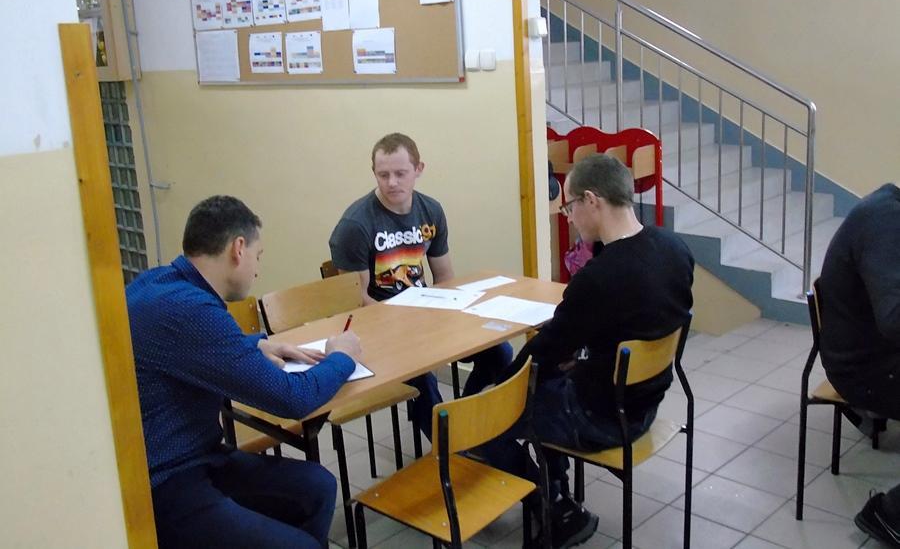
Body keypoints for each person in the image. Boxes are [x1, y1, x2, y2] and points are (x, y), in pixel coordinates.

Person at [482, 154, 694, 548]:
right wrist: (580, 357)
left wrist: (498, 391)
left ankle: (557, 509)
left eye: (569, 206)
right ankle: (559, 491)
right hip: (645, 403)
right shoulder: (674, 248)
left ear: (591, 200)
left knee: (488, 420)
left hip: (603, 418)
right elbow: (630, 322)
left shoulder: (599, 277)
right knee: (547, 384)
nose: (568, 217)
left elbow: (544, 350)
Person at [128, 195, 362, 549]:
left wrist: (253, 344)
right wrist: (342, 357)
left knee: (317, 486)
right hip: (166, 481)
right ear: (238, 248)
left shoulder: (159, 283)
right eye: (258, 255)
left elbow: (188, 349)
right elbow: (291, 399)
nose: (257, 270)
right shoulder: (192, 310)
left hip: (198, 455)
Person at [328, 132, 513, 440]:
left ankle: (465, 417)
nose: (392, 183)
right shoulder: (355, 225)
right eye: (383, 175)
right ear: (374, 172)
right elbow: (358, 301)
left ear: (418, 169)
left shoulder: (431, 211)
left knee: (499, 350)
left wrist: (446, 317)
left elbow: (445, 277)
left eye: (400, 173)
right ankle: (450, 445)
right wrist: (408, 323)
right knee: (423, 376)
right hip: (379, 326)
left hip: (424, 314)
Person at [818, 182, 900, 547]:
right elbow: (895, 319)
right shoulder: (886, 221)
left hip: (879, 353)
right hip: (864, 369)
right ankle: (890, 515)